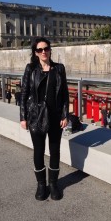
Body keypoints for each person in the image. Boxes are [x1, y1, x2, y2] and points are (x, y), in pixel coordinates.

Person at [20, 37, 69, 201]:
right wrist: (23, 117)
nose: (43, 52)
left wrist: (65, 114)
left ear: (50, 49)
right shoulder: (30, 69)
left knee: (55, 151)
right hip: (36, 116)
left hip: (55, 116)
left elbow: (64, 95)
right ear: (35, 53)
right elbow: (24, 93)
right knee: (39, 151)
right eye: (40, 50)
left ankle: (53, 184)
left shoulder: (59, 69)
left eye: (46, 48)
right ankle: (41, 185)